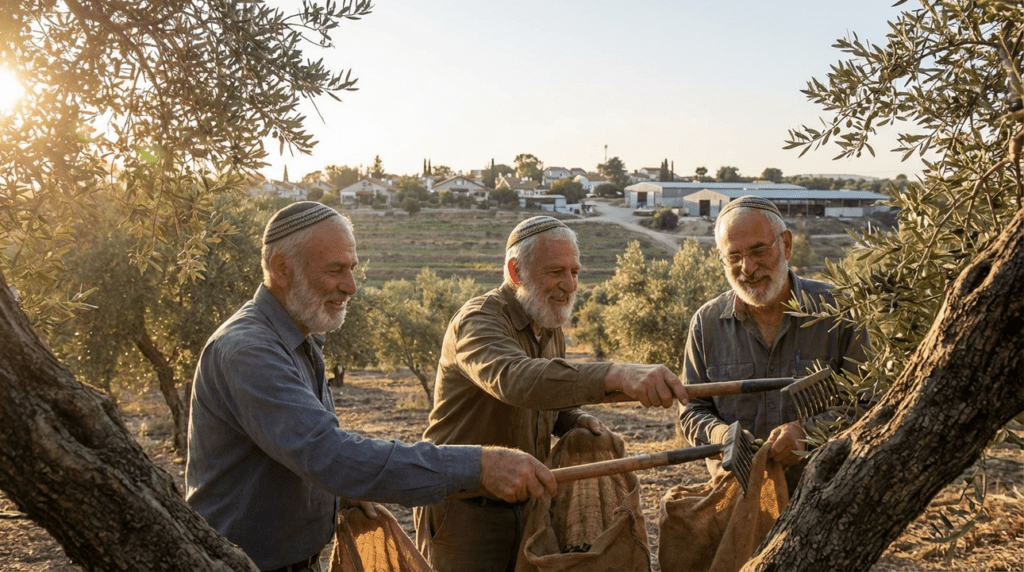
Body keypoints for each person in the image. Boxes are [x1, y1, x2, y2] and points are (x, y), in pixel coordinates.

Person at [185, 202, 557, 572]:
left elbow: (294, 449)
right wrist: (479, 466)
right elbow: (326, 454)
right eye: (336, 270)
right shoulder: (249, 350)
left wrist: (337, 495)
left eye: (352, 269)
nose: (351, 286)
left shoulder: (299, 337)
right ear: (283, 268)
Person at [414, 215, 690, 572]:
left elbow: (552, 403)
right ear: (516, 272)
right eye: (556, 271)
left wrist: (577, 420)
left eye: (575, 272)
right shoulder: (478, 321)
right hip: (467, 515)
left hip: (531, 511)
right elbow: (515, 379)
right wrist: (616, 373)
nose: (570, 284)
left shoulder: (549, 327)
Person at [678, 196, 871, 493]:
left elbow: (867, 401)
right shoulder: (706, 324)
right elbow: (691, 411)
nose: (748, 267)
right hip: (739, 500)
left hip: (824, 498)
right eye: (733, 256)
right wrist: (722, 435)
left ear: (787, 245)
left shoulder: (839, 310)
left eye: (759, 250)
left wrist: (808, 433)